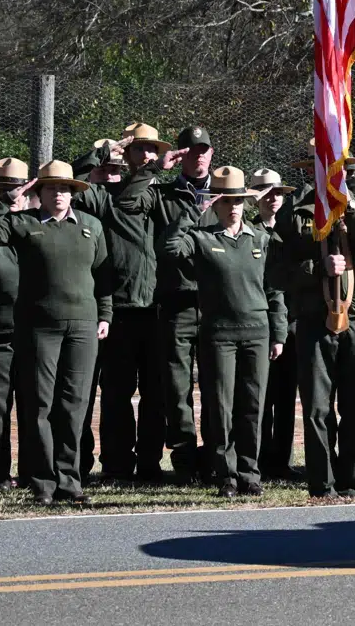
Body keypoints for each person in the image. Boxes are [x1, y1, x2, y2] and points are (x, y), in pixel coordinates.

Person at [0, 160, 112, 505]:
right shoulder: (23, 223)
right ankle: (43, 483)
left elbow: (103, 276)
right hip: (39, 327)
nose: (59, 194)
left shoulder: (92, 226)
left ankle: (70, 482)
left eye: (64, 188)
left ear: (73, 193)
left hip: (83, 326)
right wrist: (5, 201)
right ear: (40, 192)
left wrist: (105, 315)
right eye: (51, 188)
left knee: (74, 405)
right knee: (39, 405)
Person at [163, 166, 287, 497]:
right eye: (225, 201)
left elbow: (274, 289)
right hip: (218, 335)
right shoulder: (202, 239)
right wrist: (194, 211)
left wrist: (278, 333)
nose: (233, 207)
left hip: (257, 333)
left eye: (238, 201)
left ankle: (250, 473)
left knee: (252, 406)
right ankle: (225, 475)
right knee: (220, 407)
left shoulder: (260, 238)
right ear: (215, 204)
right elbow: (170, 249)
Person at [281, 140, 355, 499]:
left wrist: (351, 208)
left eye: (336, 167)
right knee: (317, 406)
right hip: (314, 317)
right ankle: (321, 483)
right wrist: (318, 268)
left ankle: (351, 480)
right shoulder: (296, 209)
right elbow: (280, 267)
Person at [74, 123, 175, 485]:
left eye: (152, 150)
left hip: (157, 310)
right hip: (116, 310)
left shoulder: (160, 193)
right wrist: (104, 151)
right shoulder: (104, 197)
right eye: (139, 149)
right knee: (115, 393)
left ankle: (149, 464)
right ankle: (116, 465)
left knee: (156, 394)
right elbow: (73, 181)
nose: (146, 155)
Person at [152, 124, 217, 482]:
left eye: (203, 149)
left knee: (216, 383)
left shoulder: (225, 192)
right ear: (180, 156)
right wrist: (154, 168)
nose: (198, 156)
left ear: (212, 153)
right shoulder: (162, 195)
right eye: (191, 151)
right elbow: (129, 203)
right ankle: (184, 458)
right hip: (176, 300)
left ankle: (215, 455)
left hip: (215, 303)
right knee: (177, 386)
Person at [248, 168, 299, 481]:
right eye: (266, 193)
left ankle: (282, 460)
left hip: (291, 321)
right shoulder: (248, 232)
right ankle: (259, 458)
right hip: (258, 321)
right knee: (260, 396)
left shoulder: (292, 232)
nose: (273, 199)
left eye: (278, 192)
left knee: (286, 395)